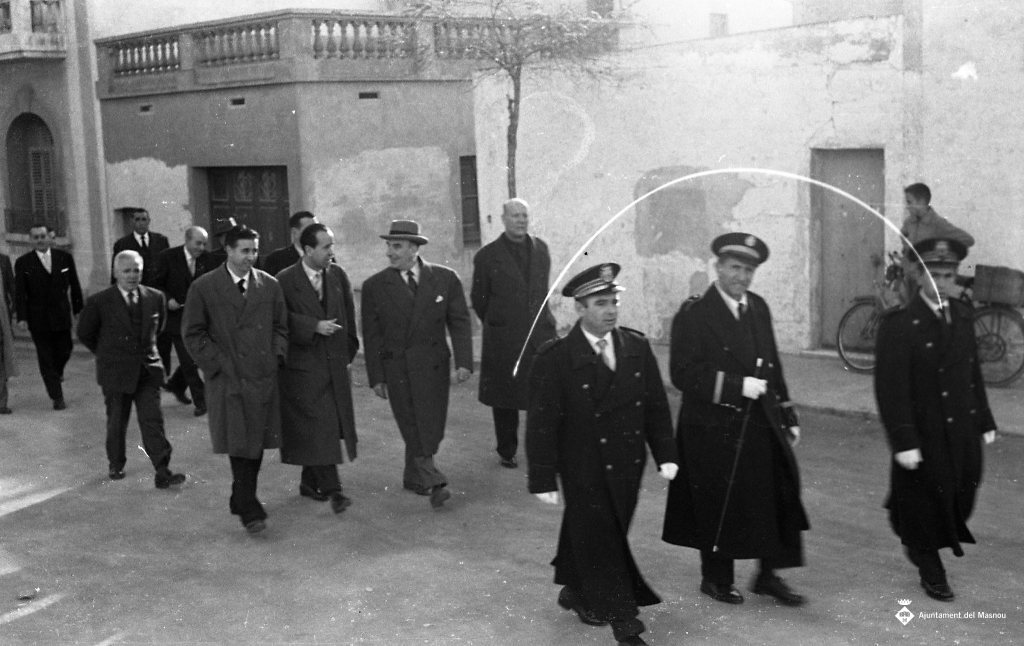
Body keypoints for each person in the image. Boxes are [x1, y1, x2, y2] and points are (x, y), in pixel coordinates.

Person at [527, 263, 678, 646]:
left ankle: (575, 589)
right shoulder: (556, 357)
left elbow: (655, 407)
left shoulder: (636, 347)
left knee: (602, 530)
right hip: (582, 467)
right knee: (604, 538)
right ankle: (625, 622)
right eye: (600, 303)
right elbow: (542, 423)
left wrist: (666, 454)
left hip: (628, 463)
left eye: (614, 301)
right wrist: (543, 476)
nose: (611, 310)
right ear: (579, 308)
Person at [662, 233, 809, 607]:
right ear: (718, 267)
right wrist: (736, 386)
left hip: (759, 419)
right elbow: (682, 373)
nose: (741, 277)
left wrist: (786, 412)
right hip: (712, 425)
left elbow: (772, 364)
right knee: (718, 500)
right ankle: (715, 578)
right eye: (735, 268)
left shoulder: (758, 307)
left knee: (774, 493)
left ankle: (768, 575)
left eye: (749, 270)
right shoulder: (694, 314)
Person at [874, 237, 997, 602]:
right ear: (918, 274)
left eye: (948, 275)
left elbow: (972, 373)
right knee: (925, 498)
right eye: (933, 274)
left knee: (964, 489)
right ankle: (929, 563)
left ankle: (916, 535)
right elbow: (890, 389)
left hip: (961, 426)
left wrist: (985, 419)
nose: (941, 282)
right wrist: (903, 440)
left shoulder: (962, 313)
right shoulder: (900, 323)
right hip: (924, 430)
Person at [182, 224, 288, 534]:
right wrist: (218, 363)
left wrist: (275, 356)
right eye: (244, 251)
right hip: (228, 378)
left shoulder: (269, 285)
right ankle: (248, 506)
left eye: (254, 251)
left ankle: (239, 497)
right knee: (240, 442)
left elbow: (281, 327)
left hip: (262, 376)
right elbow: (193, 333)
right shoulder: (204, 287)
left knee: (255, 443)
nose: (250, 257)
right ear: (228, 250)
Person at [361, 220, 472, 509]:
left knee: (431, 424)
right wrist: (377, 376)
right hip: (398, 369)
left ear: (414, 249)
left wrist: (464, 362)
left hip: (434, 367)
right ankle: (434, 481)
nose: (389, 252)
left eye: (396, 246)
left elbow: (459, 322)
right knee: (413, 423)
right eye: (388, 245)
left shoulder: (445, 278)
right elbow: (372, 337)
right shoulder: (375, 286)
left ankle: (414, 476)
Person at [77, 250, 187, 487]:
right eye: (126, 271)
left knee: (153, 421)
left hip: (148, 371)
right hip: (115, 373)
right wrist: (108, 354)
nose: (132, 275)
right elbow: (85, 333)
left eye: (136, 270)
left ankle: (162, 470)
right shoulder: (100, 301)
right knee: (117, 422)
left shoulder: (155, 297)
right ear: (116, 273)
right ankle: (116, 464)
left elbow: (158, 329)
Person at [277, 223, 359, 514]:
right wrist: (312, 326)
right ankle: (334, 491)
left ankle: (309, 483)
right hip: (302, 369)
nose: (331, 252)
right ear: (308, 249)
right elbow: (279, 319)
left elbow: (348, 315)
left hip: (334, 364)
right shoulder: (285, 280)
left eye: (332, 245)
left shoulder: (337, 275)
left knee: (322, 429)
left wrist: (348, 351)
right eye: (326, 247)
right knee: (320, 427)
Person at [470, 198, 556, 468]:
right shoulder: (487, 256)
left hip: (539, 336)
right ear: (503, 219)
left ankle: (542, 449)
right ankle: (507, 451)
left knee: (542, 397)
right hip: (504, 339)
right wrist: (502, 324)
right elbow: (479, 300)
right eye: (515, 215)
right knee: (505, 398)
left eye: (524, 216)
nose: (521, 220)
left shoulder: (541, 249)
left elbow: (541, 291)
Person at [14, 224, 84, 410]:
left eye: (42, 236)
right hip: (38, 318)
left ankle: (57, 372)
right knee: (45, 357)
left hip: (61, 315)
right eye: (36, 237)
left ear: (49, 237)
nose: (40, 240)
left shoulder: (64, 258)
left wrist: (78, 309)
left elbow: (75, 285)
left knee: (66, 349)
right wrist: (22, 317)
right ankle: (57, 396)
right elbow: (20, 293)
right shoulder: (23, 262)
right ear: (31, 240)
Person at [154, 226, 213, 416]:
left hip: (200, 319)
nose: (201, 248)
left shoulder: (206, 258)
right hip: (176, 319)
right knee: (189, 360)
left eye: (204, 244)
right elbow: (155, 284)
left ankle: (176, 384)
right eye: (198, 243)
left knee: (194, 357)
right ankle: (201, 401)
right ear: (187, 240)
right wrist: (168, 298)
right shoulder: (168, 257)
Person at [112, 208, 172, 377]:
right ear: (132, 222)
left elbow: (168, 269)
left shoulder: (161, 241)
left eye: (144, 219)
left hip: (157, 296)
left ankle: (163, 374)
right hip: (135, 297)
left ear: (149, 221)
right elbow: (115, 273)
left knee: (162, 337)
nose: (141, 223)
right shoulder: (122, 244)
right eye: (137, 219)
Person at [900, 183, 975, 302]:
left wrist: (942, 253)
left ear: (921, 202)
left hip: (927, 281)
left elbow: (968, 240)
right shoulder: (909, 222)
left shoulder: (938, 224)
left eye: (909, 202)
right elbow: (905, 241)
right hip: (910, 277)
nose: (907, 207)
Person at [260, 211, 318, 277]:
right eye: (310, 230)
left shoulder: (323, 256)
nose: (315, 234)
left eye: (317, 229)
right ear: (295, 232)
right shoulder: (276, 259)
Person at [0, 250, 16, 414]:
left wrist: (13, 310)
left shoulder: (3, 261)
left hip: (1, 318)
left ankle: (1, 402)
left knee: (1, 359)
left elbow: (12, 287)